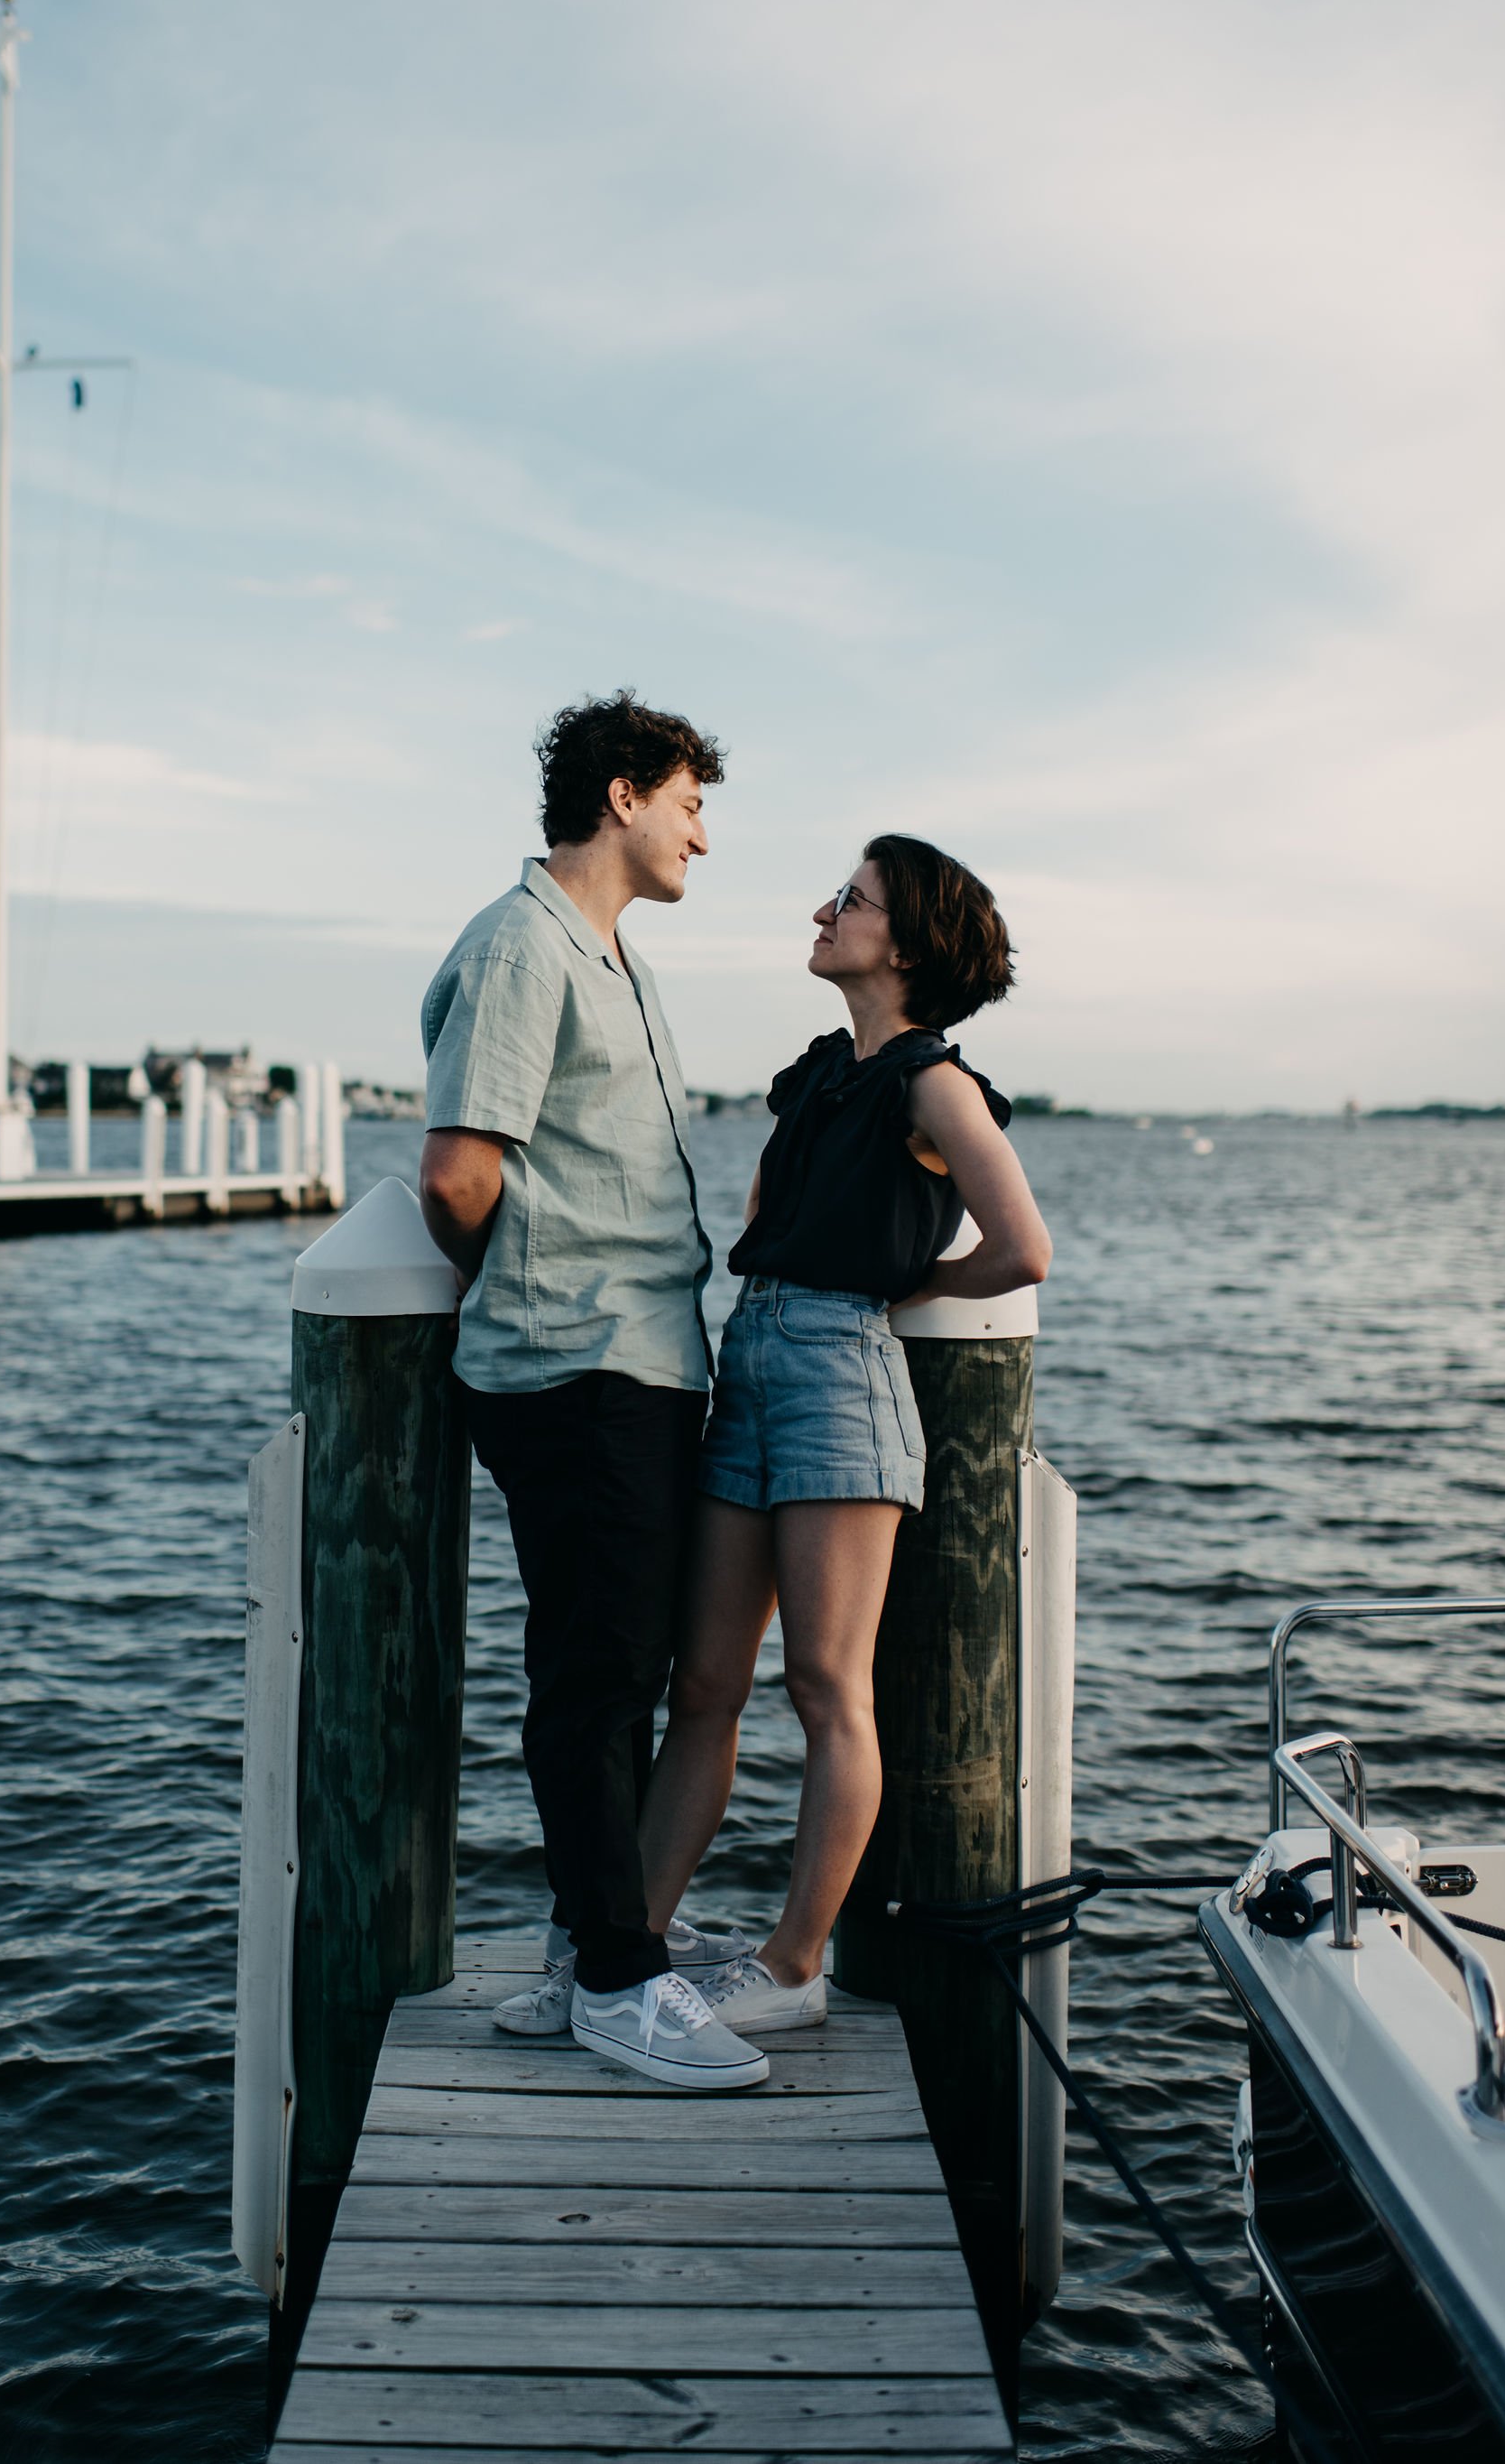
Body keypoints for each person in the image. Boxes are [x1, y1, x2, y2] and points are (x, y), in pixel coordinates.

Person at [634, 833, 1052, 2034]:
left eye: (851, 900)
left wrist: (899, 1293)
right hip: (755, 1354)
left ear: (907, 945)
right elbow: (772, 1217)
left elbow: (1022, 1247)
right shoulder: (820, 1070)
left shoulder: (936, 1084)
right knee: (704, 1683)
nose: (826, 911)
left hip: (837, 1374)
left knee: (827, 1688)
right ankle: (631, 1947)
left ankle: (792, 1967)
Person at [418, 692, 768, 2090]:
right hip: (572, 1358)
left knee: (627, 1667)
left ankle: (584, 1954)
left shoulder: (608, 954)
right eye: (691, 803)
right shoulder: (521, 946)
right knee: (595, 1670)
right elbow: (459, 1174)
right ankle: (626, 1982)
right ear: (623, 794)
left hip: (639, 1360)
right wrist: (525, 1285)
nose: (702, 836)